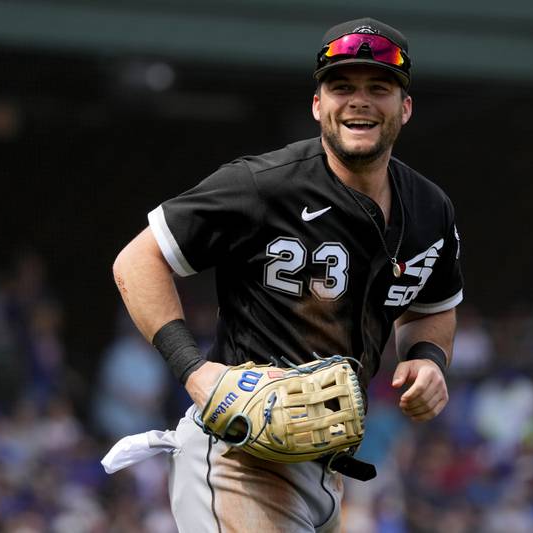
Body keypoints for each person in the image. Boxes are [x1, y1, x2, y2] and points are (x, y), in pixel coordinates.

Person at [105, 17, 464, 532]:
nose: (358, 100)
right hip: (241, 458)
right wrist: (195, 371)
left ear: (404, 108)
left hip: (328, 474)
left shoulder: (430, 209)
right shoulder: (263, 185)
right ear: (318, 105)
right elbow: (137, 261)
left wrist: (428, 359)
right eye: (341, 86)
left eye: (378, 88)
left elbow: (432, 308)